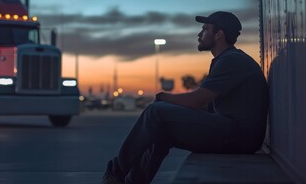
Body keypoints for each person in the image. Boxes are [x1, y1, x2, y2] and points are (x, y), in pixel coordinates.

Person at [102, 11, 269, 184]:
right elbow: (204, 106)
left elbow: (197, 100)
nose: (199, 34)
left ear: (218, 34)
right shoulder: (228, 59)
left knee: (155, 112)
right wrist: (174, 108)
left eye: (205, 29)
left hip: (239, 136)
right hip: (237, 133)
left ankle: (114, 174)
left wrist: (163, 97)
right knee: (161, 131)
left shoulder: (231, 60)